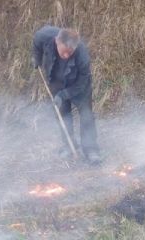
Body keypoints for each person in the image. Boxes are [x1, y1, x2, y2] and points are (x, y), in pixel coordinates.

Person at [32, 25, 101, 164]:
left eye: (70, 52)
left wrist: (64, 95)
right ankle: (69, 146)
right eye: (64, 51)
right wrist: (36, 57)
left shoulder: (82, 55)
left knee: (87, 115)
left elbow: (82, 82)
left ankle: (91, 149)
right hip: (56, 82)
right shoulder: (45, 35)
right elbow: (36, 43)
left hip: (79, 86)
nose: (66, 55)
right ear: (57, 42)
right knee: (63, 115)